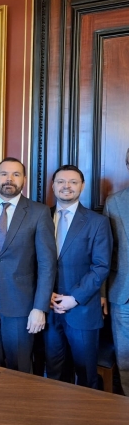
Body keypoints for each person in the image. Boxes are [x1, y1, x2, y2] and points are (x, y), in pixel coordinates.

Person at [0, 157, 57, 373]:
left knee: (20, 371)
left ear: (24, 179)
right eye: (4, 174)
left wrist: (40, 307)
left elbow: (47, 264)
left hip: (22, 306)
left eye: (16, 174)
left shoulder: (39, 212)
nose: (9, 179)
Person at [44, 165, 111, 388]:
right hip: (48, 309)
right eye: (61, 181)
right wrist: (45, 294)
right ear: (53, 186)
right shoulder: (41, 217)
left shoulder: (97, 222)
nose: (67, 186)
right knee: (53, 374)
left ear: (82, 186)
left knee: (86, 376)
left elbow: (101, 266)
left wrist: (74, 298)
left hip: (82, 309)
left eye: (73, 182)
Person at [103, 148, 129, 395]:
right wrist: (103, 292)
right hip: (123, 295)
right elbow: (105, 253)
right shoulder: (114, 202)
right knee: (125, 359)